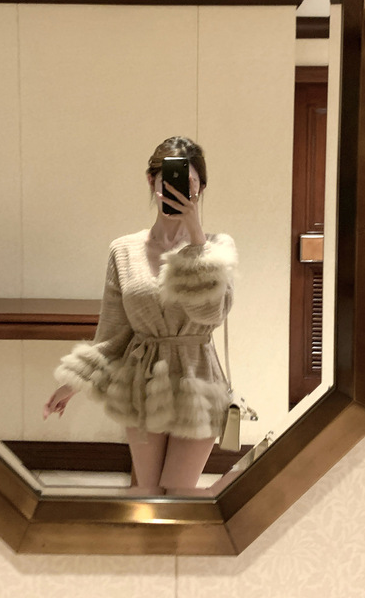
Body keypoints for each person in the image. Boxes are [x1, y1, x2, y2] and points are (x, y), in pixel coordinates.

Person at [43, 136, 236, 494]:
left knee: (178, 495)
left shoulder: (216, 247)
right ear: (152, 181)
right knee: (148, 494)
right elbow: (113, 332)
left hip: (198, 380)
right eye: (169, 181)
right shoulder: (124, 250)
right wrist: (74, 384)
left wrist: (196, 241)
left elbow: (212, 314)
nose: (179, 191)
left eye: (190, 184)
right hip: (142, 383)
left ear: (200, 188)